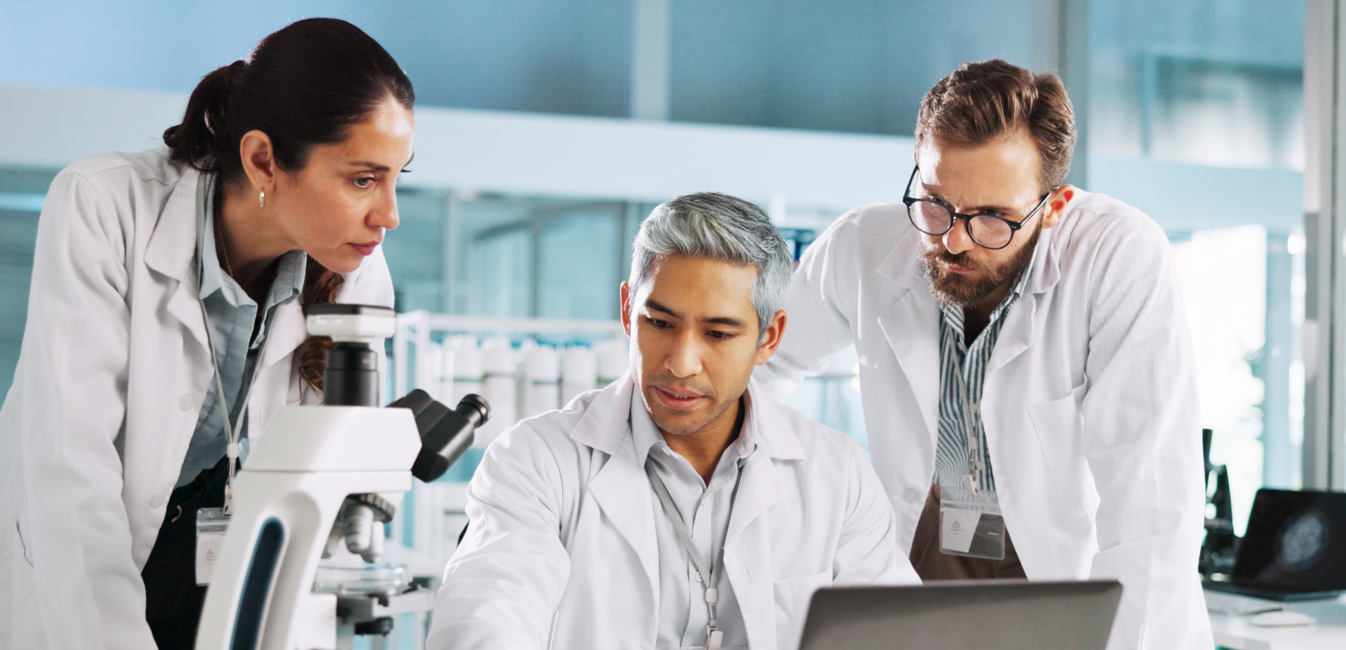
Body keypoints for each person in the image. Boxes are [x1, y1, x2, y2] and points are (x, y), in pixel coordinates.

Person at [756, 59, 1210, 649]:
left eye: (992, 216)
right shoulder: (863, 245)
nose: (953, 240)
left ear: (1054, 205)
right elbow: (758, 368)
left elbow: (1150, 504)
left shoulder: (1117, 257)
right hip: (920, 543)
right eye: (936, 203)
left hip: (1056, 562)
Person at [0, 18, 414, 650]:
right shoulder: (105, 205)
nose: (388, 215)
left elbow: (324, 477)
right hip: (87, 581)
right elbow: (69, 474)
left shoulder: (355, 266)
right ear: (262, 160)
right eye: (363, 179)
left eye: (395, 178)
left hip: (230, 574)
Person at [428, 193, 918, 650]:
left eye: (719, 334)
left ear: (769, 338)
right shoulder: (536, 461)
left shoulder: (837, 473)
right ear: (627, 310)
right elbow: (485, 617)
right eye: (659, 323)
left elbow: (897, 634)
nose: (681, 363)